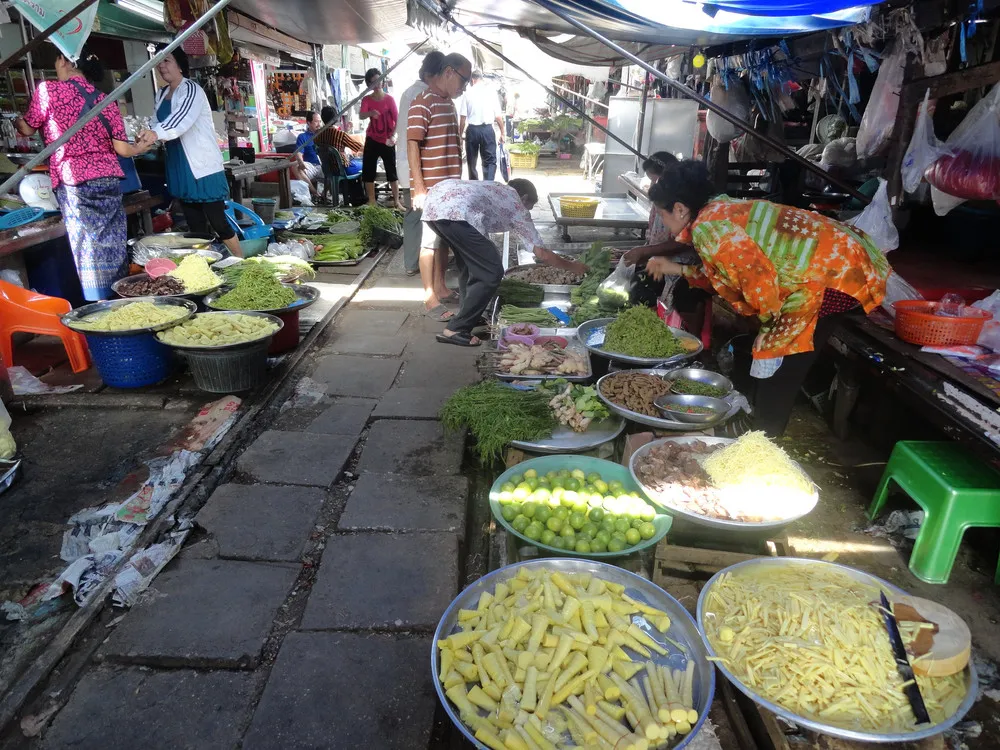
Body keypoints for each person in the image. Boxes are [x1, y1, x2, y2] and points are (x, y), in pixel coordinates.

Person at [643, 160, 890, 436]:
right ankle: (758, 427)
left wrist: (767, 323)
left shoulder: (709, 229)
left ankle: (764, 440)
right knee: (773, 354)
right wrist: (676, 267)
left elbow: (760, 286)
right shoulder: (715, 212)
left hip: (832, 273)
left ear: (679, 208)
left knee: (780, 361)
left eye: (662, 215)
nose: (663, 223)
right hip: (835, 263)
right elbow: (726, 271)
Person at [17, 47, 152, 300]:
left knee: (86, 243)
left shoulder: (48, 90)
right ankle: (118, 295)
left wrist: (17, 120)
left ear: (64, 61)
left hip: (73, 180)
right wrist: (140, 146)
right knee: (112, 241)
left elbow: (26, 128)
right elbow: (123, 150)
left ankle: (97, 301)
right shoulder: (105, 99)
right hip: (108, 180)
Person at [423, 178, 587, 346]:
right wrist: (575, 267)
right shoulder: (517, 205)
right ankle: (456, 329)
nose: (528, 212)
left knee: (469, 265)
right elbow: (543, 254)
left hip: (434, 205)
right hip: (454, 213)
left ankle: (468, 314)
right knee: (492, 272)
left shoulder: (498, 190)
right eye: (529, 207)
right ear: (524, 198)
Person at [138, 49, 242, 258]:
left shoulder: (192, 90)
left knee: (218, 221)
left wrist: (155, 133)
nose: (162, 66)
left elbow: (180, 119)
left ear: (180, 65)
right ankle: (207, 268)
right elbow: (156, 122)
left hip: (202, 167)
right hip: (179, 166)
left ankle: (243, 261)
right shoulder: (161, 94)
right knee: (195, 226)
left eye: (166, 60)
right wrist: (145, 137)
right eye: (159, 62)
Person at [407, 52, 471, 321]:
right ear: (448, 72)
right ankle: (429, 296)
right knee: (429, 243)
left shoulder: (448, 103)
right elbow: (412, 144)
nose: (464, 86)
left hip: (450, 186)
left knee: (444, 240)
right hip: (432, 188)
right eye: (463, 79)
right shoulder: (421, 103)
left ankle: (442, 287)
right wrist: (419, 187)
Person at [359, 67, 401, 208]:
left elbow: (398, 119)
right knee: (368, 171)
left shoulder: (389, 100)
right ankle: (372, 201)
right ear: (369, 84)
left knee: (391, 171)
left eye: (379, 81)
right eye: (373, 82)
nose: (377, 85)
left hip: (387, 140)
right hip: (372, 138)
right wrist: (371, 112)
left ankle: (396, 202)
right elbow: (361, 115)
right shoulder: (367, 99)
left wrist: (393, 135)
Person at [314, 105, 363, 206]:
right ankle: (360, 197)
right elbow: (359, 147)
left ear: (323, 119)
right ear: (336, 118)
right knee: (364, 165)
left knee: (355, 164)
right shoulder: (340, 134)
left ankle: (352, 195)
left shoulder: (317, 134)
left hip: (327, 169)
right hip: (341, 168)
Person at [459, 71, 504, 181]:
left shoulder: (467, 93)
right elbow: (498, 117)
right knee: (489, 161)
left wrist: (460, 136)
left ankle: (474, 185)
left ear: (472, 80)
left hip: (472, 130)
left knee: (471, 161)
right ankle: (488, 185)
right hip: (487, 130)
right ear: (481, 79)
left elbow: (463, 118)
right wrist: (502, 133)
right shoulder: (491, 92)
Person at [292, 110, 324, 199]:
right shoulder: (303, 137)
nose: (319, 124)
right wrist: (301, 162)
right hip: (311, 167)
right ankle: (315, 193)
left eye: (320, 121)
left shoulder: (324, 135)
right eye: (316, 122)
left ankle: (325, 194)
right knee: (295, 166)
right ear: (309, 123)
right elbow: (298, 153)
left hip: (324, 166)